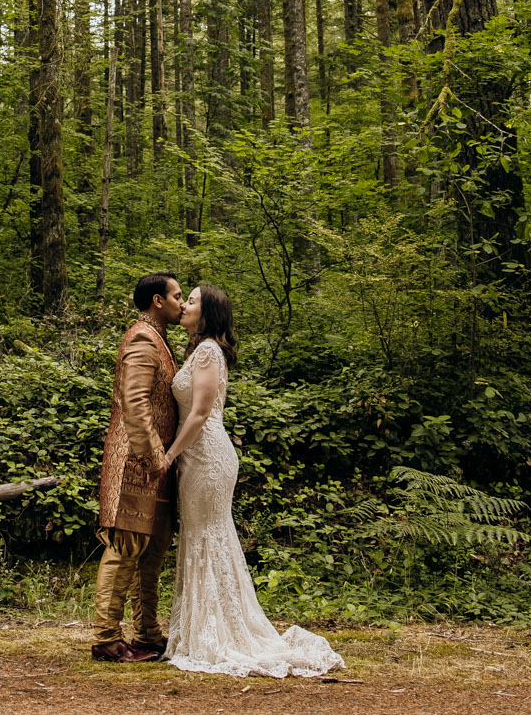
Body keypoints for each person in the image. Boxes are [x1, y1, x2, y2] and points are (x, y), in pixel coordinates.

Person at [158, 285, 344, 677]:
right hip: (197, 456)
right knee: (202, 536)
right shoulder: (199, 350)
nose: (184, 305)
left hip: (207, 457)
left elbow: (201, 413)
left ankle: (219, 633)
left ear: (206, 312)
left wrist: (169, 456)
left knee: (209, 536)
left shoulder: (208, 350)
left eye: (191, 301)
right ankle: (201, 629)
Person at [91, 272, 183, 662]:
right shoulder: (143, 338)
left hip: (156, 466)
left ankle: (147, 632)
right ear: (158, 301)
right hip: (136, 463)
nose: (182, 303)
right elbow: (136, 403)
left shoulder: (159, 338)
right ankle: (107, 637)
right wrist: (153, 457)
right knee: (124, 547)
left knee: (153, 551)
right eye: (177, 296)